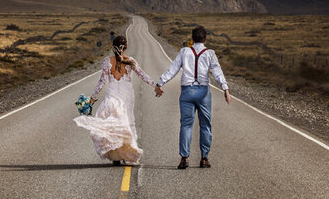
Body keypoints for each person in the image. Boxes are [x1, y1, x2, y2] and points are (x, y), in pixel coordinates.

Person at [74, 35, 161, 164]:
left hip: (112, 93)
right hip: (127, 94)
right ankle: (124, 153)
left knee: (114, 123)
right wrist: (156, 86)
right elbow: (143, 75)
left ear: (113, 47)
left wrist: (92, 99)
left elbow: (102, 81)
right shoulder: (130, 61)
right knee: (124, 122)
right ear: (125, 47)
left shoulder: (107, 61)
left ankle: (117, 154)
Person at [155, 26, 230, 169]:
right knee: (205, 126)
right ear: (205, 38)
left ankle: (184, 158)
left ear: (192, 38)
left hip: (187, 92)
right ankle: (204, 158)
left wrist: (160, 82)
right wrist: (225, 88)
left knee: (186, 125)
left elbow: (173, 69)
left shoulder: (184, 51)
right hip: (203, 92)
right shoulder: (210, 53)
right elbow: (217, 72)